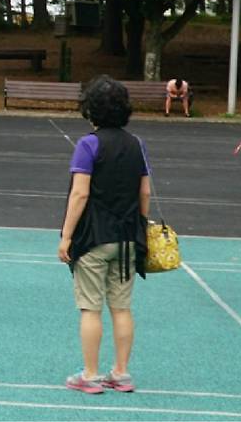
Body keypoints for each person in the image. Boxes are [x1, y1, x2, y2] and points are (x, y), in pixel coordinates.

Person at [58, 75, 151, 394]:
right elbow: (145, 192)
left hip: (94, 238)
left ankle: (91, 374)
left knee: (90, 308)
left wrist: (66, 236)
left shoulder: (88, 144)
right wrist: (140, 225)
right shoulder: (136, 144)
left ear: (90, 110)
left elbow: (80, 194)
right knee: (122, 307)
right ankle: (121, 373)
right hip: (127, 239)